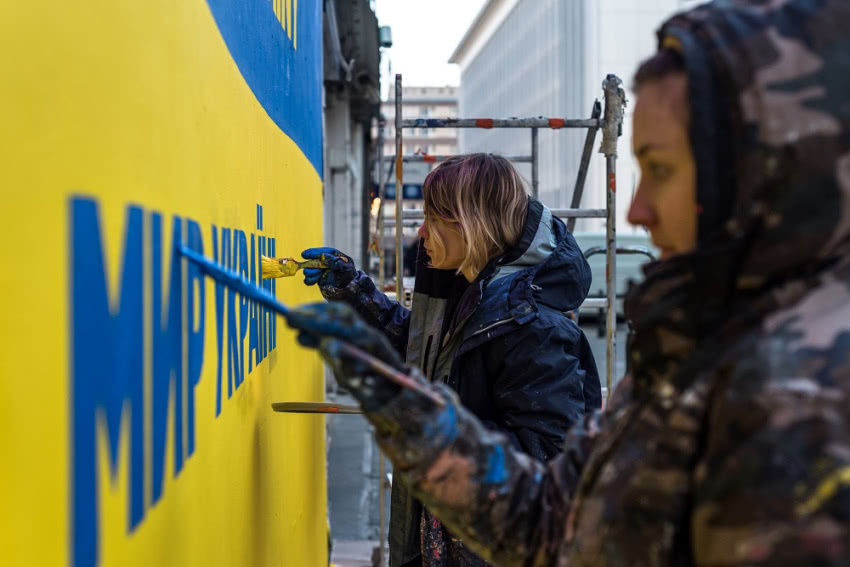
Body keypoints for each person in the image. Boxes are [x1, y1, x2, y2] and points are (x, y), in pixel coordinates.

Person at [287, 0, 850, 564]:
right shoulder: (682, 353)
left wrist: (415, 406)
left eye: (661, 169)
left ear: (765, 170)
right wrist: (402, 393)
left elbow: (543, 479)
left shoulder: (805, 400)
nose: (635, 210)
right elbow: (548, 520)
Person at [300, 153, 601, 566]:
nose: (421, 232)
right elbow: (422, 349)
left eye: (432, 219)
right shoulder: (467, 289)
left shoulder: (534, 328)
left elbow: (548, 468)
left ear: (470, 223)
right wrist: (356, 293)